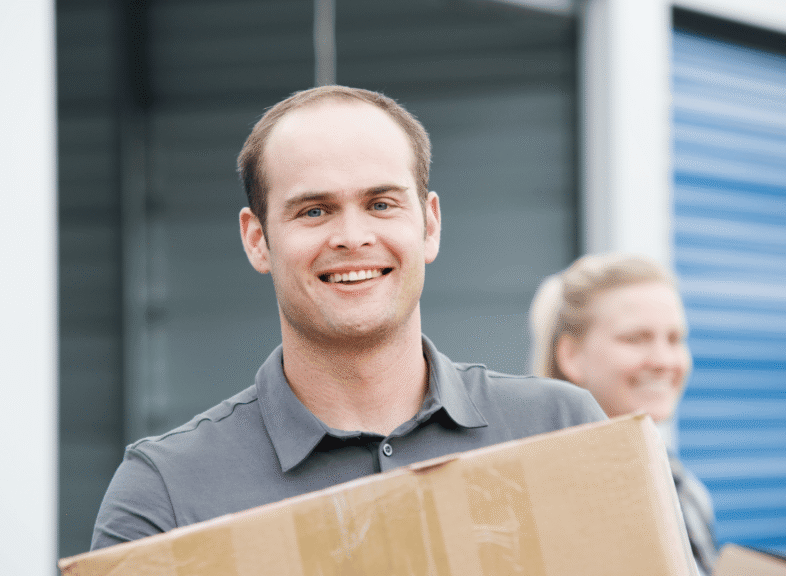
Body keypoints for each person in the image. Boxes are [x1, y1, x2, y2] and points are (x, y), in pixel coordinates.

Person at [90, 86, 607, 550]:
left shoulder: (562, 430)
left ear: (429, 225)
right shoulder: (165, 491)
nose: (352, 238)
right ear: (257, 239)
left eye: (381, 204)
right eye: (314, 211)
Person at [529, 253, 718, 575]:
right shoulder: (536, 503)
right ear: (571, 355)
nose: (663, 361)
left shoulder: (686, 490)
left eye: (674, 339)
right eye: (635, 339)